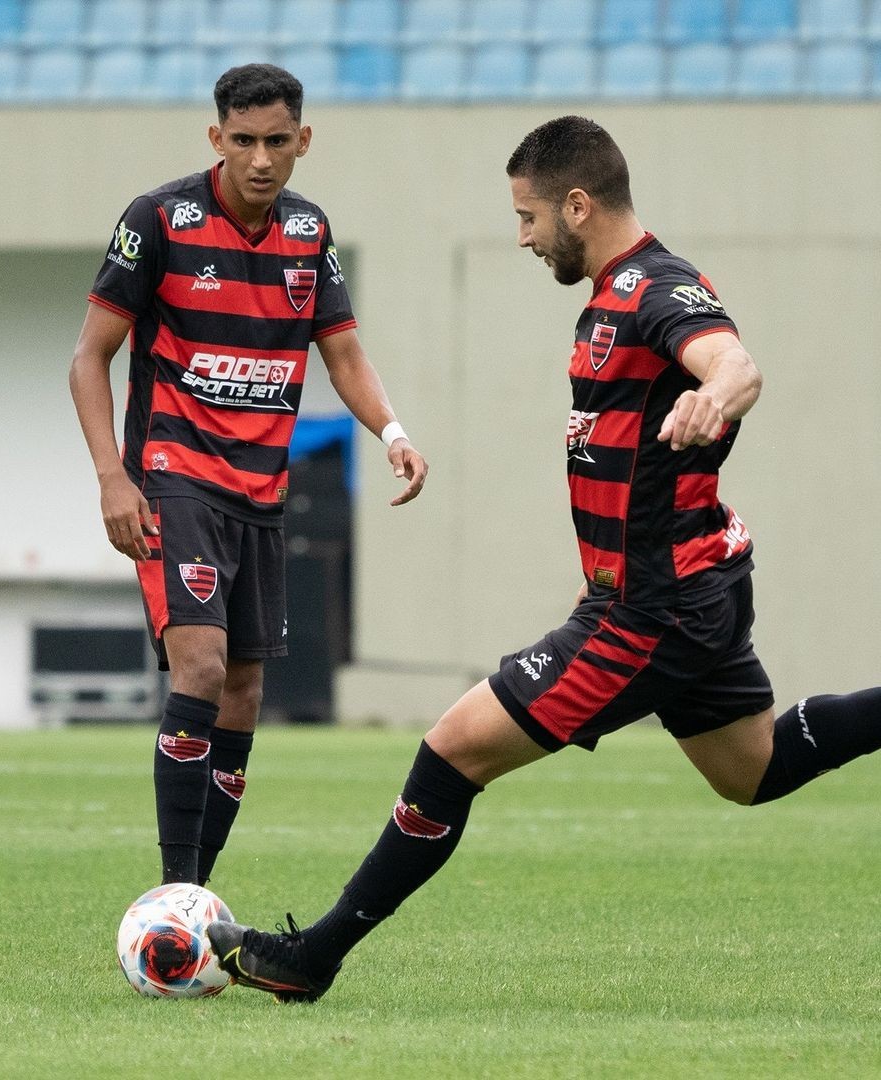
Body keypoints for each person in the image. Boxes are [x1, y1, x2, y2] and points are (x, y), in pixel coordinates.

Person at [206, 115, 881, 1003]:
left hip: (655, 610)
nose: (521, 236)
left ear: (577, 203)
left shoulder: (654, 288)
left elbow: (736, 364)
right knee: (751, 770)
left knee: (451, 752)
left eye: (528, 217)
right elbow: (629, 464)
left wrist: (717, 392)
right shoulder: (607, 298)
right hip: (669, 588)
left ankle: (313, 957)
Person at [69, 64, 428, 888]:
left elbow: (343, 353)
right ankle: (174, 891)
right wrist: (110, 478)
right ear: (215, 139)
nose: (259, 159)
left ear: (303, 141)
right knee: (198, 667)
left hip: (261, 491)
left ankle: (196, 890)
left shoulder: (309, 233)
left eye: (276, 142)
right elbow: (89, 359)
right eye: (242, 141)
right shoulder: (159, 219)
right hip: (173, 475)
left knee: (242, 690)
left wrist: (393, 431)